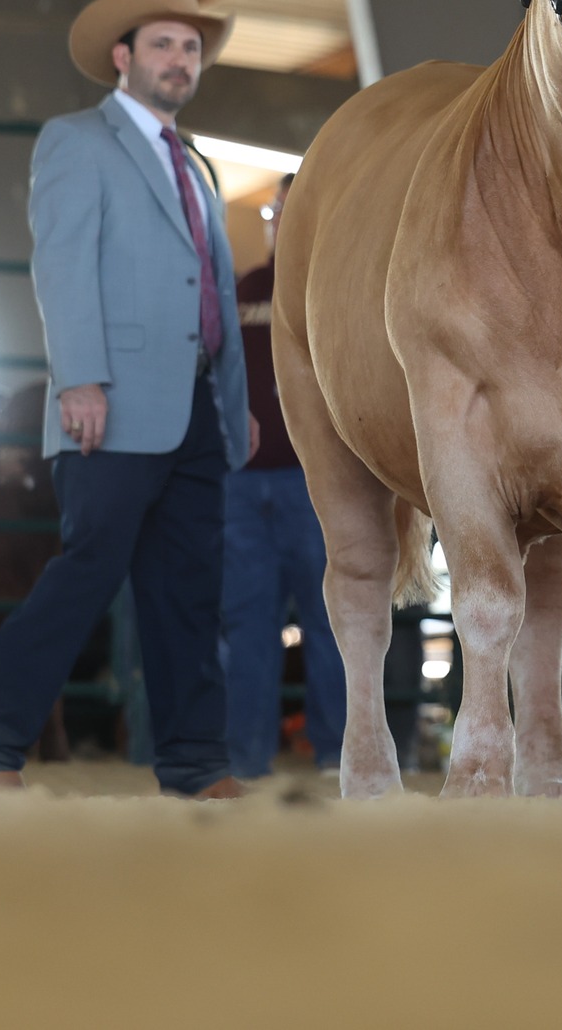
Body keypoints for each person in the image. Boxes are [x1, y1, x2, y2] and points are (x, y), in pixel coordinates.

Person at [0, 0, 258, 799]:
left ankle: (194, 765)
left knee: (189, 595)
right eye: (163, 44)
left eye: (190, 48)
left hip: (196, 410)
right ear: (123, 58)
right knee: (86, 573)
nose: (179, 60)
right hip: (109, 401)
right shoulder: (76, 141)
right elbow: (64, 266)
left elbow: (211, 296)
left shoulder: (198, 164)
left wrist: (232, 404)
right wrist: (78, 378)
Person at [222, 172, 346, 778]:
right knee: (250, 620)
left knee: (328, 618)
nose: (283, 221)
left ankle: (334, 751)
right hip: (245, 482)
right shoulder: (243, 288)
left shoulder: (333, 291)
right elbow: (217, 373)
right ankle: (248, 754)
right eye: (278, 211)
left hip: (313, 481)